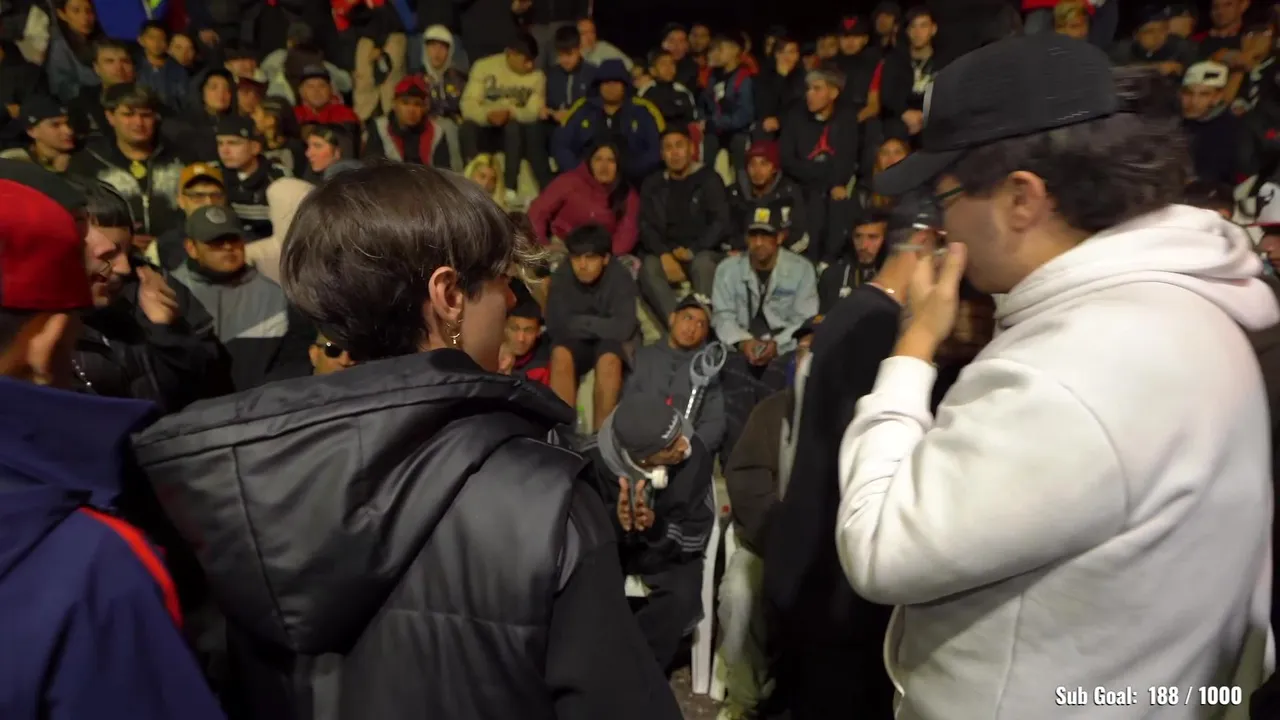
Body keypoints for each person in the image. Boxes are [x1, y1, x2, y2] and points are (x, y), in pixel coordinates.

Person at [132, 163, 684, 720]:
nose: (511, 300)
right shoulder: (548, 496)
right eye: (502, 281)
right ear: (449, 295)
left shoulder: (240, 480)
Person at [839, 38, 1274, 718]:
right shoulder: (1183, 305)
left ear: (1022, 198)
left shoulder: (1073, 368)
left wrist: (914, 345)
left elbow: (879, 545)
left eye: (945, 194)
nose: (942, 223)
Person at [0, 161, 225, 720]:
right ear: (50, 338)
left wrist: (168, 333)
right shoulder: (92, 564)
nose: (119, 267)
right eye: (97, 248)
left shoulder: (143, 308)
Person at [765, 195, 975, 720]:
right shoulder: (882, 329)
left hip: (810, 555)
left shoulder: (850, 311)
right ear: (928, 244)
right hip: (837, 576)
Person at [718, 317, 816, 720]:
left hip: (832, 550)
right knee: (740, 594)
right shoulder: (772, 410)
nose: (809, 360)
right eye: (804, 350)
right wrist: (780, 533)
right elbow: (744, 477)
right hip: (767, 540)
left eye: (819, 352)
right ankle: (743, 700)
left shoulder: (856, 413)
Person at [577, 395, 714, 672]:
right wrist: (615, 522)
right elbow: (577, 532)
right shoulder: (590, 461)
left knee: (682, 596)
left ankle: (635, 671)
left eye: (679, 433)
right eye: (670, 446)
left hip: (666, 549)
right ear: (642, 459)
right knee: (584, 589)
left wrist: (657, 527)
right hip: (610, 546)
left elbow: (697, 532)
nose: (683, 445)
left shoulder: (694, 454)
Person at [170, 205, 313, 391]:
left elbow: (294, 358)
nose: (228, 247)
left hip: (260, 402)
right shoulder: (170, 293)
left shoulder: (275, 295)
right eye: (216, 241)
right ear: (191, 248)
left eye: (233, 239)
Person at [545, 223, 639, 429]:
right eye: (576, 258)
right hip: (576, 342)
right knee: (560, 353)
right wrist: (601, 324)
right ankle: (562, 433)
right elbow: (554, 325)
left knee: (610, 359)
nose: (582, 265)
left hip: (610, 342)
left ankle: (600, 437)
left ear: (605, 259)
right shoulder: (562, 275)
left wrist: (579, 322)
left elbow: (623, 328)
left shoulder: (620, 277)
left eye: (590, 258)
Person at [637, 127, 731, 321]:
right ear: (662, 154)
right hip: (668, 252)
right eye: (668, 148)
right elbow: (646, 225)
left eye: (679, 146)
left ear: (691, 148)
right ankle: (676, 323)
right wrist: (664, 253)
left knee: (703, 264)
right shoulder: (653, 184)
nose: (674, 153)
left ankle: (701, 323)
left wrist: (692, 251)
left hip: (703, 250)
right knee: (649, 267)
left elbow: (720, 222)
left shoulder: (709, 179)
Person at [623, 294, 726, 454]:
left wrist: (688, 447)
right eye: (688, 318)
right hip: (643, 450)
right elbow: (627, 408)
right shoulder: (643, 357)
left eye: (701, 324)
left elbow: (714, 423)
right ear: (672, 319)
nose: (692, 328)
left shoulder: (707, 369)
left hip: (686, 453)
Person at [459, 33, 550, 193]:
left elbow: (534, 111)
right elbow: (467, 104)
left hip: (514, 133)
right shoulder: (484, 66)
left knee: (513, 127)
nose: (530, 65)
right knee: (466, 128)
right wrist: (487, 116)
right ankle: (471, 182)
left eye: (532, 60)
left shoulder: (537, 76)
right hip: (485, 127)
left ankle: (509, 187)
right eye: (526, 60)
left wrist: (510, 113)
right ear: (511, 54)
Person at [552, 58, 664, 185]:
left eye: (616, 82)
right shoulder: (582, 108)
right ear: (598, 85)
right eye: (606, 82)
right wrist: (580, 172)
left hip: (633, 182)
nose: (611, 87)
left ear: (625, 85)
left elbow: (657, 149)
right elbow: (561, 145)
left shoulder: (643, 110)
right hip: (584, 181)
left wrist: (633, 171)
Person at [528, 141, 640, 256]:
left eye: (611, 160)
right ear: (589, 162)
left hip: (604, 254)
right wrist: (541, 244)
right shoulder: (570, 181)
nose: (604, 166)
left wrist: (602, 258)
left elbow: (627, 235)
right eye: (598, 159)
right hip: (563, 248)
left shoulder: (628, 195)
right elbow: (538, 211)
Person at [214, 115, 290, 240]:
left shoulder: (278, 176)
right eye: (220, 143)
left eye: (233, 143)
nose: (224, 150)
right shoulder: (213, 175)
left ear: (255, 147)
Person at [0, 95, 76, 172]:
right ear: (32, 131)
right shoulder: (13, 160)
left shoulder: (81, 158)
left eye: (68, 123)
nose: (69, 131)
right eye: (55, 125)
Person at [506, 299, 551, 385]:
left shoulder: (542, 369)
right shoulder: (487, 356)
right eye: (514, 328)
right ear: (504, 327)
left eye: (529, 331)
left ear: (538, 332)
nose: (521, 338)